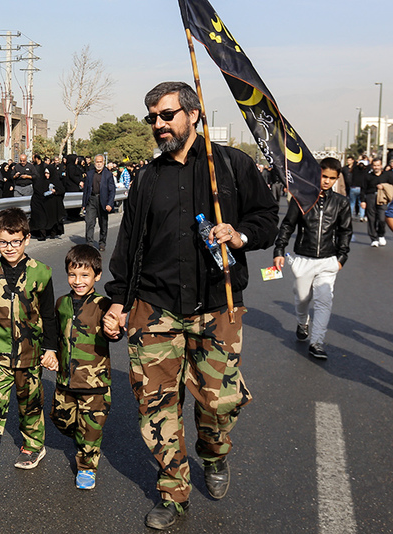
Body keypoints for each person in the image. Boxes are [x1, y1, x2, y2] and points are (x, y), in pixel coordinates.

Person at [103, 81, 278, 530]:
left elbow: (266, 218)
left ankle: (214, 455)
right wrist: (119, 302)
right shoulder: (146, 176)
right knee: (157, 407)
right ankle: (173, 491)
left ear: (193, 114)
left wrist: (238, 235)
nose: (159, 125)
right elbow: (130, 243)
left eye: (166, 115)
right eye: (153, 118)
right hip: (155, 308)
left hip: (217, 306)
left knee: (218, 403)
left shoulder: (232, 166)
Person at [0, 207, 59, 491]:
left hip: (30, 353)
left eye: (15, 241)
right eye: (4, 242)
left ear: (26, 238)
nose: (10, 248)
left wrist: (50, 349)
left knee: (30, 404)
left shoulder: (41, 272)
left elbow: (50, 316)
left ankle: (32, 445)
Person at [51, 244, 117, 490]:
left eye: (85, 275)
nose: (77, 281)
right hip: (65, 380)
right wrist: (50, 355)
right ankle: (81, 440)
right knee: (62, 420)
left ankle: (87, 467)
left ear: (97, 276)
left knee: (90, 428)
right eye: (72, 274)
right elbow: (55, 336)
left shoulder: (104, 304)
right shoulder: (61, 303)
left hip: (95, 383)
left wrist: (114, 331)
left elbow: (114, 332)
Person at [273, 157, 351, 359]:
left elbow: (345, 231)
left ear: (336, 179)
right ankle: (302, 323)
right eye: (324, 176)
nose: (327, 181)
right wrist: (279, 250)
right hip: (303, 259)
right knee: (302, 298)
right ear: (318, 174)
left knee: (324, 301)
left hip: (328, 261)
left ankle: (317, 342)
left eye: (331, 178)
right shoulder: (301, 199)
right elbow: (288, 225)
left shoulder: (341, 203)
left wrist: (341, 258)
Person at [82, 154, 116, 252]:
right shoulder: (89, 174)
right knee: (89, 222)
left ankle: (102, 243)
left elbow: (112, 190)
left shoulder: (108, 175)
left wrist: (110, 204)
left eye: (100, 162)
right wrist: (84, 204)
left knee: (103, 223)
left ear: (103, 163)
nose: (99, 164)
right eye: (97, 162)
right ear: (94, 162)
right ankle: (89, 243)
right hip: (91, 200)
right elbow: (86, 190)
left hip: (103, 201)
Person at [360, 158, 391, 247]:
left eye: (378, 165)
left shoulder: (387, 175)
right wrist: (363, 201)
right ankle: (373, 239)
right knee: (371, 219)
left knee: (382, 218)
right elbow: (363, 188)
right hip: (371, 197)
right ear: (372, 166)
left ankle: (381, 234)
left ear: (381, 166)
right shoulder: (368, 176)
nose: (376, 167)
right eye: (374, 165)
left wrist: (384, 186)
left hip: (383, 198)